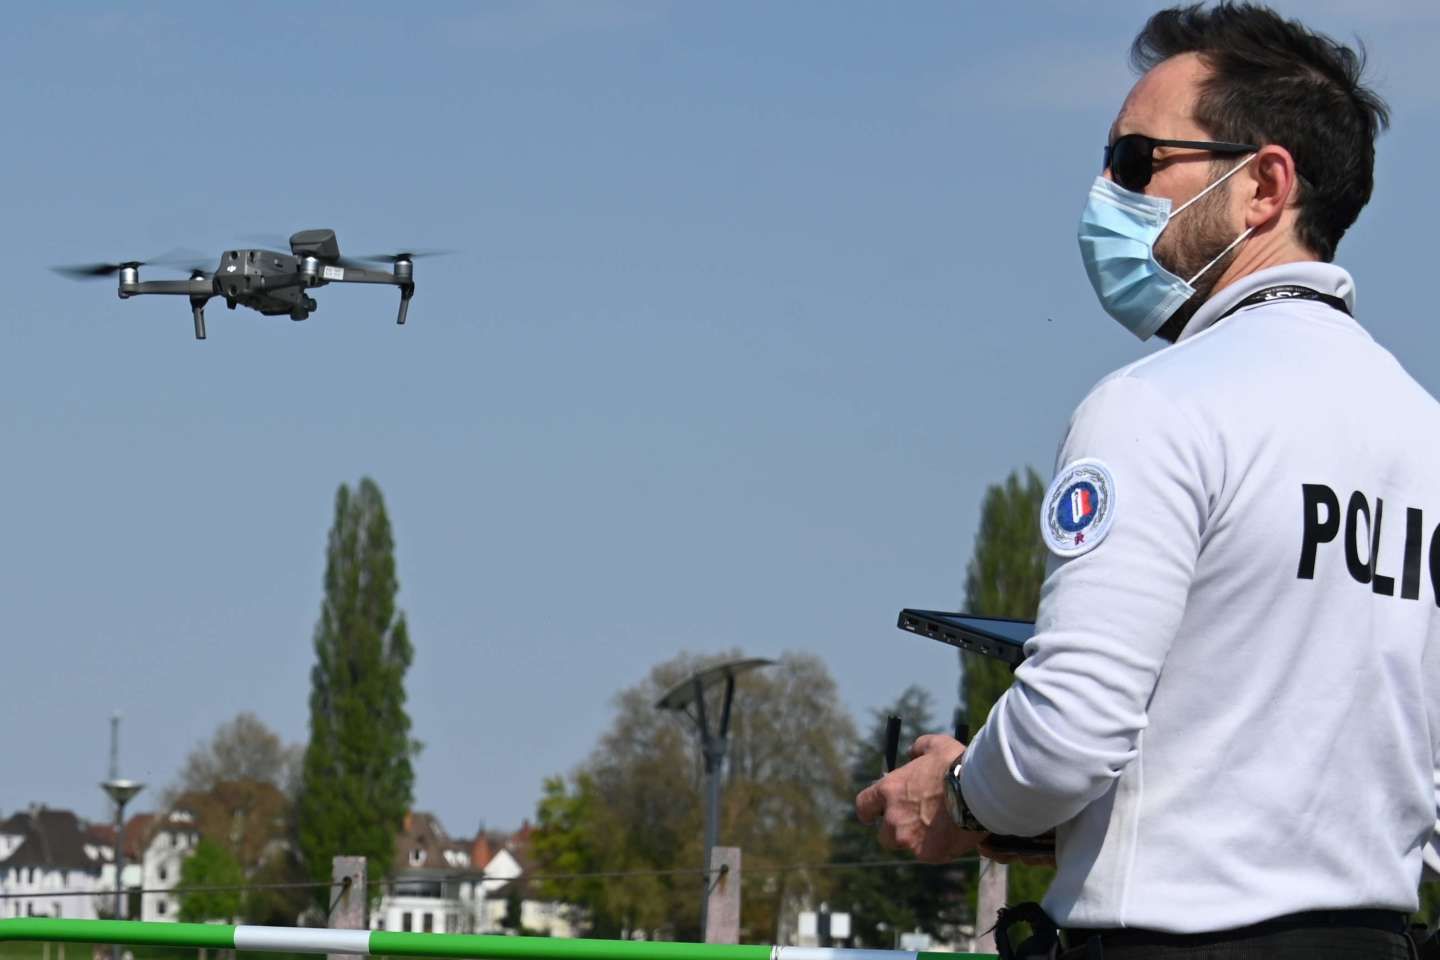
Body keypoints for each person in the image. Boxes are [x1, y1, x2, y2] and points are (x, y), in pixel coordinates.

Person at [854, 4, 1440, 958]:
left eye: (1135, 163)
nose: (1104, 191)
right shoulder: (1426, 433)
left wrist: (956, 795)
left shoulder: (1158, 403)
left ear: (1263, 185)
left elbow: (1069, 733)